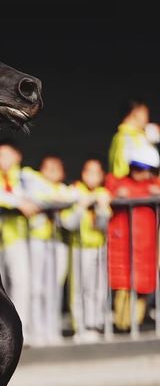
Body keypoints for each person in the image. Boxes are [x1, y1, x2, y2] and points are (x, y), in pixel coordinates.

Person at [0, 141, 40, 341]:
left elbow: (39, 195)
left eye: (7, 155)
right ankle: (4, 333)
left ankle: (22, 330)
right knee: (0, 286)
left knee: (22, 283)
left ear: (17, 156)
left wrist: (22, 200)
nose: (2, 160)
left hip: (20, 238)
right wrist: (17, 202)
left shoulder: (26, 176)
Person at [106, 141, 160, 330]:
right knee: (124, 288)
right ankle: (123, 325)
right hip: (123, 248)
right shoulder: (117, 182)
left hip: (146, 248)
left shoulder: (155, 184)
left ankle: (135, 324)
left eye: (144, 169)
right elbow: (112, 189)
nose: (140, 173)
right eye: (136, 168)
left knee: (143, 287)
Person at [28, 155, 77, 345]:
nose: (52, 171)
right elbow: (36, 197)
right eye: (48, 167)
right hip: (37, 240)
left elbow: (73, 201)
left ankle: (52, 329)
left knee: (54, 287)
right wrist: (55, 200)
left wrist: (59, 200)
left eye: (56, 168)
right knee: (37, 287)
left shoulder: (65, 190)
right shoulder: (35, 184)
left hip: (58, 242)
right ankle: (36, 330)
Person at [61, 159, 111, 342]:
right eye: (88, 172)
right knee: (79, 289)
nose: (91, 177)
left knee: (98, 288)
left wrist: (102, 208)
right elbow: (68, 223)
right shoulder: (73, 192)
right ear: (82, 174)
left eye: (96, 173)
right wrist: (81, 206)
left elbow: (103, 225)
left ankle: (94, 324)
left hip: (98, 247)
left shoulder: (103, 194)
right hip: (79, 247)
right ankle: (80, 326)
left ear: (102, 176)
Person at [108, 100, 160, 179]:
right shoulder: (123, 137)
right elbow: (120, 171)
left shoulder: (142, 135)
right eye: (145, 113)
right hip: (131, 185)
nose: (147, 117)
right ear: (135, 112)